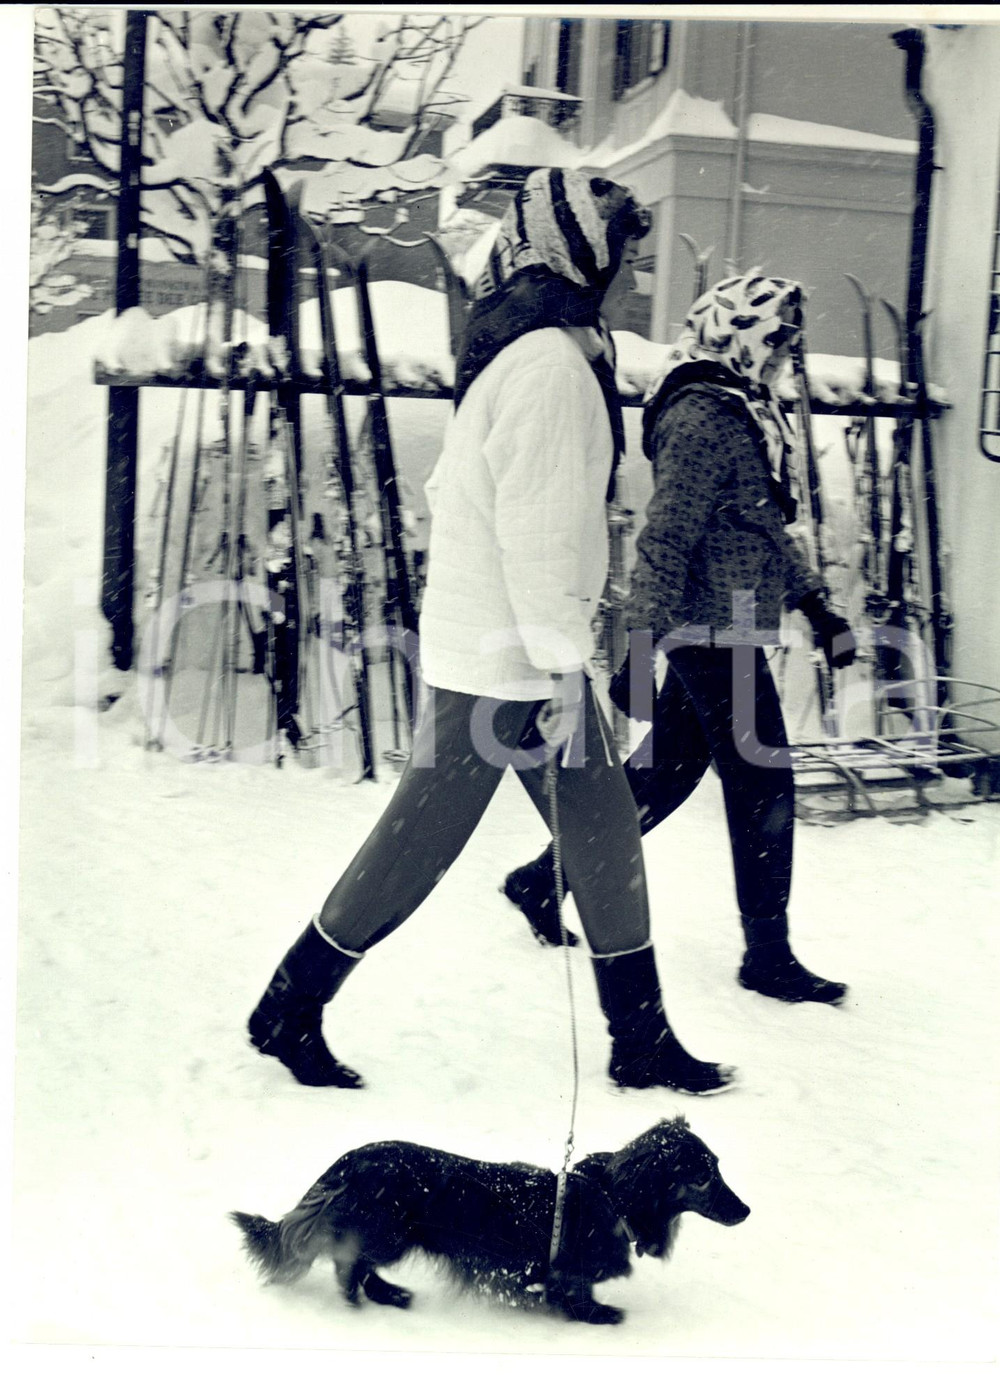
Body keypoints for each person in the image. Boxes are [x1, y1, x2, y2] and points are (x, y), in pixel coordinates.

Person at [246, 169, 735, 1096]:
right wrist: (564, 670)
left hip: (523, 646)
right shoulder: (549, 366)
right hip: (503, 660)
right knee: (419, 841)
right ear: (579, 254)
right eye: (626, 256)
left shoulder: (550, 348)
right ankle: (290, 1005)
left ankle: (640, 1038)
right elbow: (537, 531)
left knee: (604, 831)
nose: (636, 276)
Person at [503, 271, 855, 1005]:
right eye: (777, 340)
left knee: (666, 773)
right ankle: (767, 954)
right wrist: (637, 650)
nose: (784, 356)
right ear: (739, 333)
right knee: (765, 782)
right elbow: (663, 541)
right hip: (709, 631)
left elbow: (761, 524)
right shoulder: (702, 416)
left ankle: (542, 878)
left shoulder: (740, 408)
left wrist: (816, 607)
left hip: (732, 623)